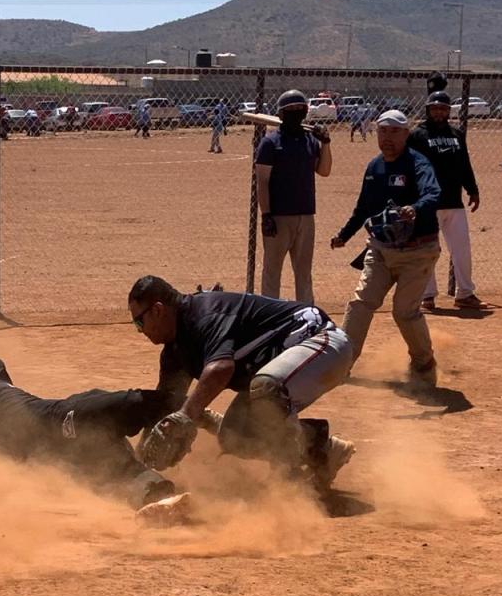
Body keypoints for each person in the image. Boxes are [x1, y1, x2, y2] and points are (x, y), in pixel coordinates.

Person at [127, 275, 355, 496]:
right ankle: (320, 448)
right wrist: (143, 466)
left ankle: (291, 481)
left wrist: (186, 416)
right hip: (285, 371)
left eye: (140, 321)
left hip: (323, 343)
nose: (140, 330)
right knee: (234, 437)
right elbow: (166, 403)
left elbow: (221, 369)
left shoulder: (204, 314)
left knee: (266, 386)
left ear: (157, 310)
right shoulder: (175, 352)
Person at [0, 356, 179, 510]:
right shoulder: (2, 399)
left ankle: (198, 413)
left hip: (63, 420)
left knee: (132, 404)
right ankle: (158, 494)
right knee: (107, 473)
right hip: (61, 443)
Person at [330, 110, 442, 387]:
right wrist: (344, 235)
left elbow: (433, 193)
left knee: (404, 311)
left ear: (406, 134)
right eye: (383, 131)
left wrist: (413, 209)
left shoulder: (418, 163)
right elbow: (363, 208)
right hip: (381, 249)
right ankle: (342, 363)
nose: (387, 138)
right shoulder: (374, 167)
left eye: (394, 132)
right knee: (360, 303)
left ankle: (424, 362)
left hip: (418, 251)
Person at [407, 91, 488, 311]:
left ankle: (465, 294)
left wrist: (472, 189)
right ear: (428, 109)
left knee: (462, 249)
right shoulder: (417, 135)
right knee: (428, 250)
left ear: (449, 111)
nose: (439, 112)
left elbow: (464, 163)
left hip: (454, 200)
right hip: (427, 203)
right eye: (435, 108)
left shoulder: (456, 134)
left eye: (443, 108)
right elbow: (410, 168)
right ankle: (427, 296)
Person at [255, 89, 333, 304]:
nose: (296, 113)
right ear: (281, 115)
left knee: (304, 273)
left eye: (300, 109)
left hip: (305, 215)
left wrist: (325, 143)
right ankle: (270, 315)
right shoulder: (270, 143)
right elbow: (262, 181)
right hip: (278, 216)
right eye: (290, 110)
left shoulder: (310, 140)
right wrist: (266, 214)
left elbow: (324, 170)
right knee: (272, 271)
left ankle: (306, 314)